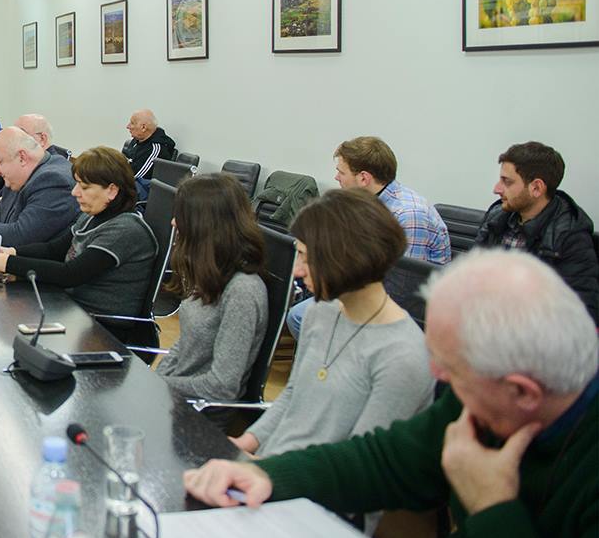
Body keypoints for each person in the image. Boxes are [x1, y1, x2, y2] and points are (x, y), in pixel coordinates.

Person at [183, 250, 599, 538]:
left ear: (523, 392)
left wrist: (492, 507)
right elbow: (387, 460)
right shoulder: (484, 398)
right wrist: (269, 475)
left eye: (452, 370)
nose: (437, 376)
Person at [231, 189, 433, 459]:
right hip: (273, 466)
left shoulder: (403, 357)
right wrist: (244, 444)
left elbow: (358, 463)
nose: (297, 270)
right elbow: (293, 396)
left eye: (305, 257)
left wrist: (261, 471)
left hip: (308, 481)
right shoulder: (319, 312)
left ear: (345, 258)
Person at [0, 147, 157, 346]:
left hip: (101, 330)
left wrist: (8, 263)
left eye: (84, 187)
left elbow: (70, 274)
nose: (75, 192)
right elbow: (54, 250)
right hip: (73, 311)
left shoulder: (125, 230)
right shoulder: (92, 216)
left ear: (112, 191)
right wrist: (12, 252)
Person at [287, 135, 453, 335]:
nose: (337, 177)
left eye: (341, 172)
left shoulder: (409, 215)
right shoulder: (367, 204)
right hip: (369, 290)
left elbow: (403, 289)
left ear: (364, 178)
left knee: (301, 316)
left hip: (403, 310)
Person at [154, 174, 269, 401]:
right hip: (176, 396)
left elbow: (221, 386)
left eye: (182, 215)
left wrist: (157, 384)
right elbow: (186, 343)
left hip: (200, 411)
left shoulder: (242, 291)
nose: (174, 222)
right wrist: (156, 379)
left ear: (204, 223)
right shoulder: (209, 271)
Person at [475, 141, 598, 324]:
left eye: (507, 182)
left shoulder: (570, 236)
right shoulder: (496, 217)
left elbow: (581, 317)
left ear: (536, 188)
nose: (497, 189)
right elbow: (471, 277)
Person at [122, 109, 176, 186]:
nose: (128, 126)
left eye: (132, 123)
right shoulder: (137, 140)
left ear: (143, 127)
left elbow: (136, 179)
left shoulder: (155, 150)